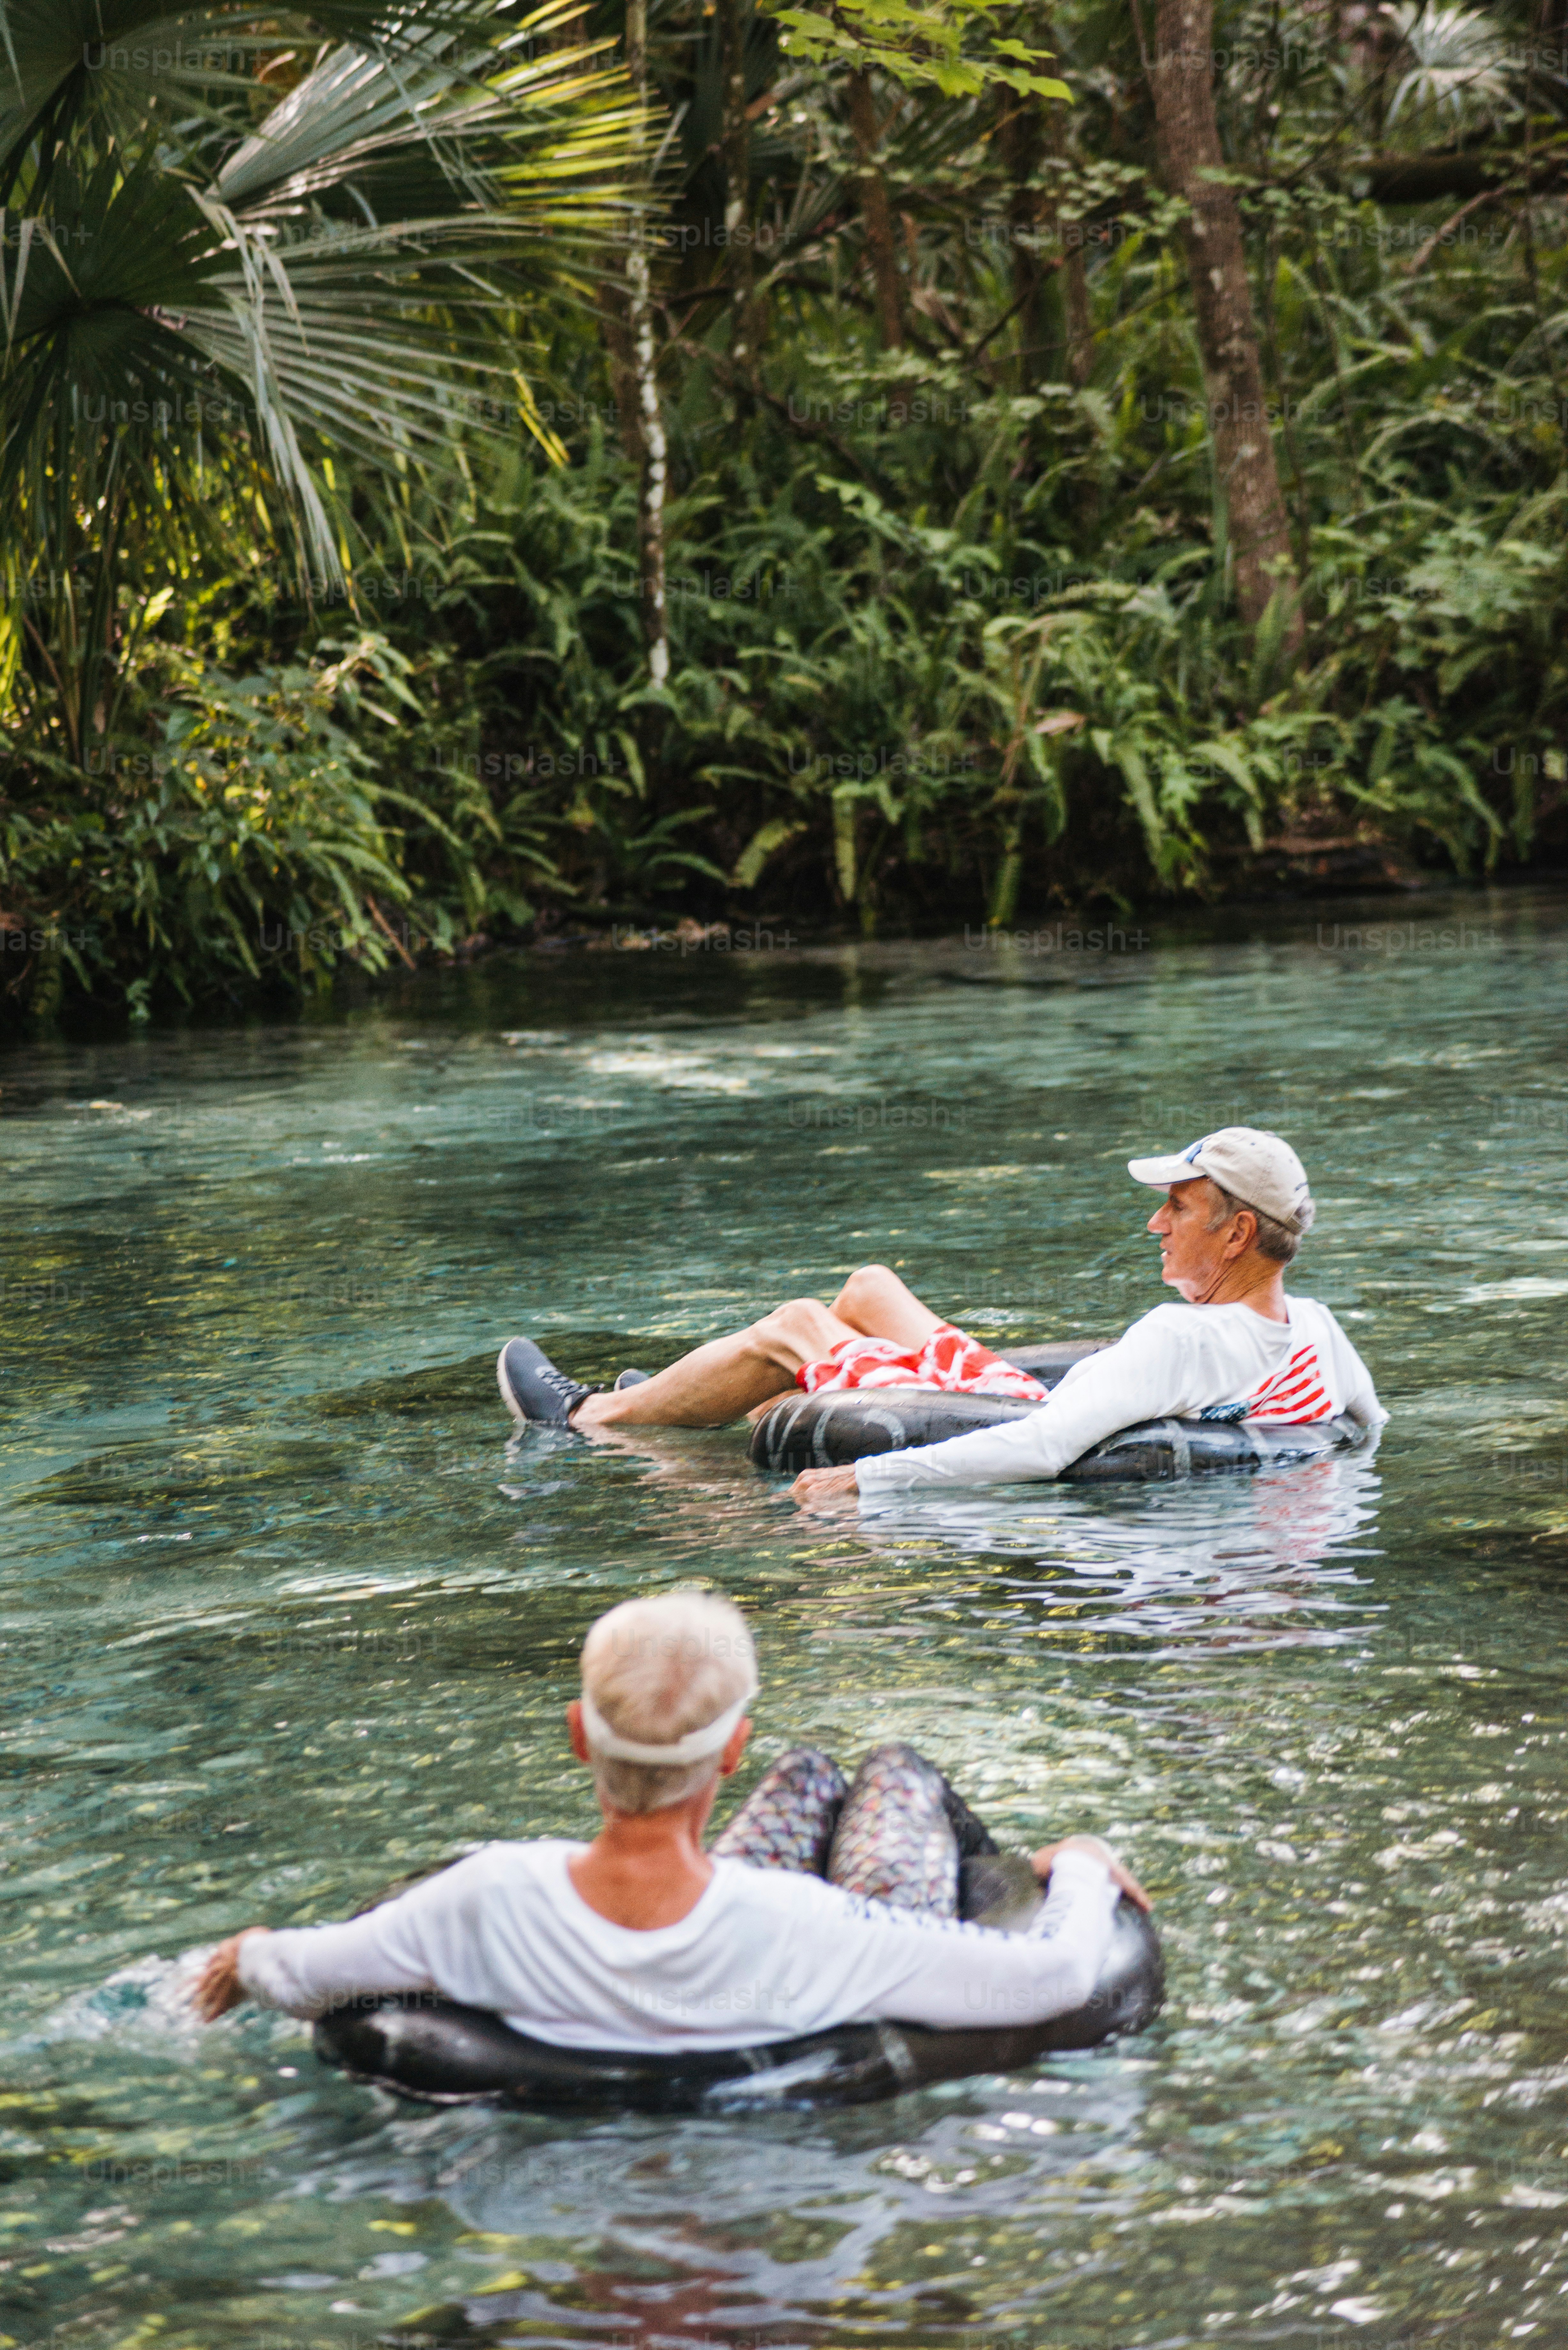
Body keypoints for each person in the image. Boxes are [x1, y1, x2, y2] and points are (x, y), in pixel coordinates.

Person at [192, 1593, 1147, 2050]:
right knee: (891, 1769)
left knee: (812, 1776)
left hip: (709, 1929)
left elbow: (296, 1970)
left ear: (579, 1736)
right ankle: (1002, 1861)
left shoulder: (483, 1897)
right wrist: (1084, 1862)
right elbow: (1057, 1977)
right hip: (786, 1949)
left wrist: (244, 1955)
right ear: (731, 1754)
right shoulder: (814, 1926)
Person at [494, 1126, 1386, 1505]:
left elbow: (1042, 1448)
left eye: (1178, 1208)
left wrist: (869, 1482)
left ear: (1237, 1233)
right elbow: (1367, 1428)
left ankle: (594, 1416)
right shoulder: (1319, 1331)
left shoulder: (1179, 1336)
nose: (1156, 1222)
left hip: (1012, 1420)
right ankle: (692, 1397)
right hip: (1043, 1399)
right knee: (870, 1289)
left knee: (800, 1323)